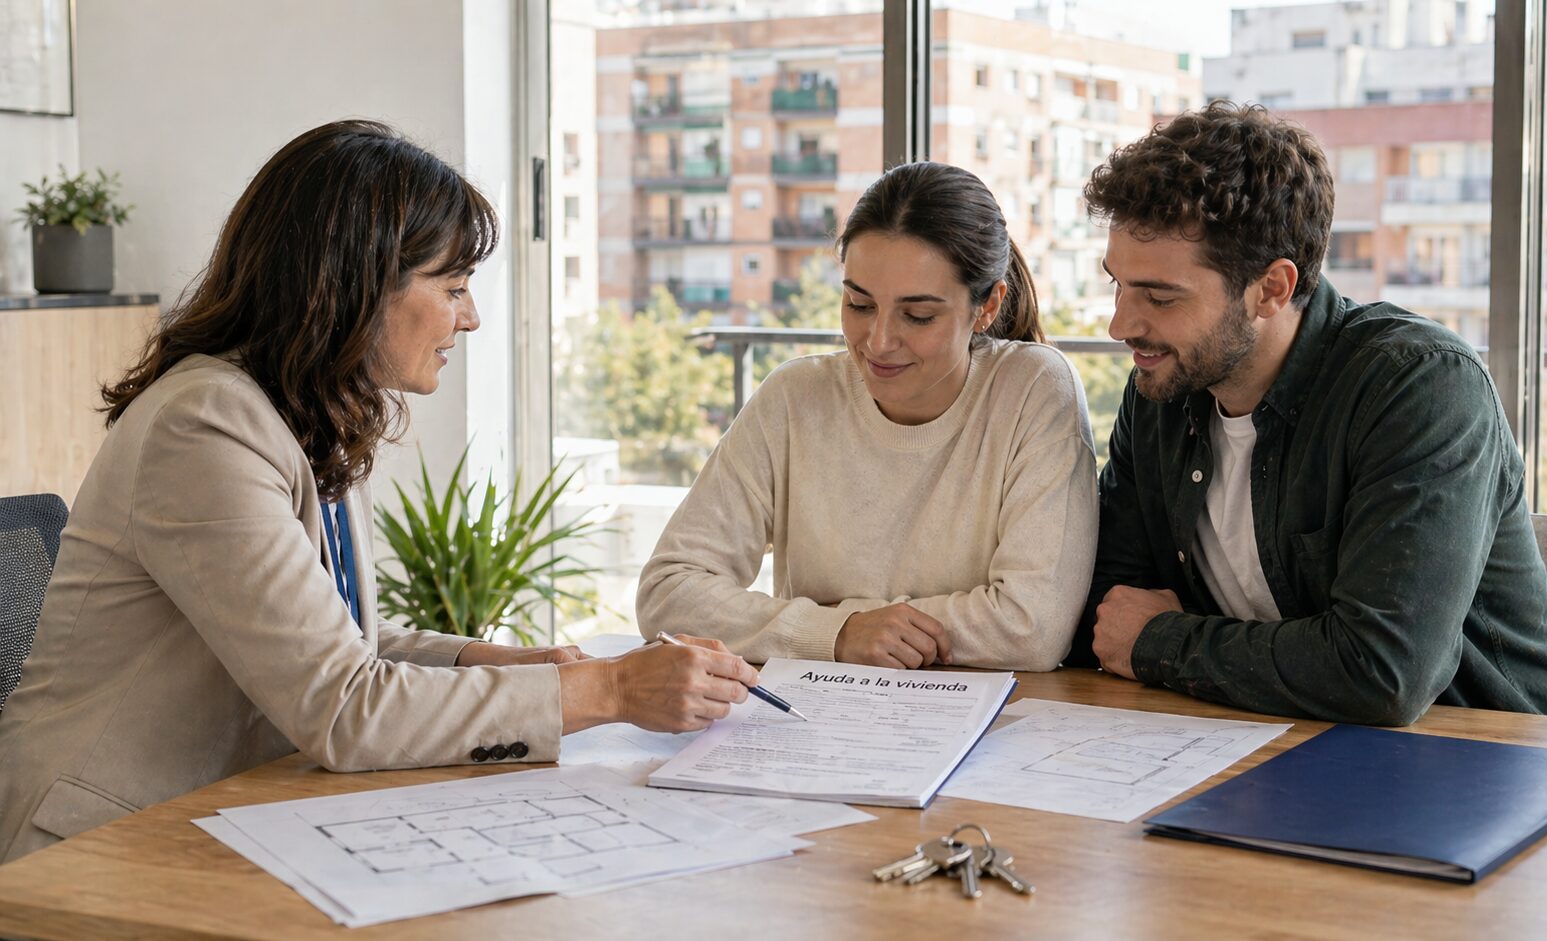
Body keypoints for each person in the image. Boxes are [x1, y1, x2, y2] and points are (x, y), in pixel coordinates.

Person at [0, 120, 757, 863]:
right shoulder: (204, 425)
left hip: (219, 816)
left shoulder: (301, 410)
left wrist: (507, 664)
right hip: (91, 847)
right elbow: (344, 704)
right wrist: (612, 689)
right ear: (356, 284)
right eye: (455, 286)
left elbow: (336, 640)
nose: (472, 316)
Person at [1069, 102, 1547, 725]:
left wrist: (1162, 641)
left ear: (1272, 288)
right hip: (1281, 747)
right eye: (1119, 285)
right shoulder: (1163, 389)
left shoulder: (1418, 386)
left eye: (1159, 296)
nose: (1121, 325)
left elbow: (1382, 673)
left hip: (1504, 761)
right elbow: (1110, 614)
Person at [637, 161, 1097, 672]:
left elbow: (1033, 628)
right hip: (820, 720)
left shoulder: (1034, 390)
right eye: (858, 303)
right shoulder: (794, 397)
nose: (878, 342)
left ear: (987, 306)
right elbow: (667, 594)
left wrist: (845, 627)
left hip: (995, 728)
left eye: (917, 315)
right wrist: (838, 634)